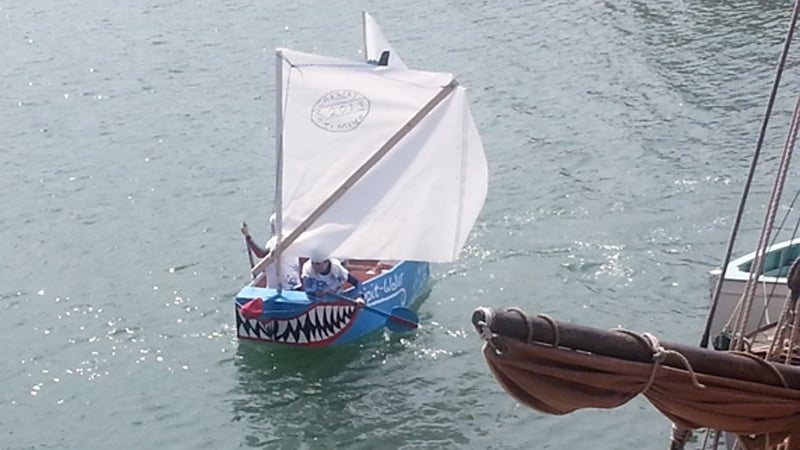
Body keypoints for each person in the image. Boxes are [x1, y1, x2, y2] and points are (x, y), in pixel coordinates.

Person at [241, 214, 300, 290]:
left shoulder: (276, 241)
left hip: (281, 287)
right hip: (295, 284)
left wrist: (247, 236)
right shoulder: (294, 239)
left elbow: (260, 254)